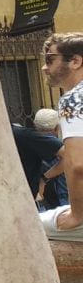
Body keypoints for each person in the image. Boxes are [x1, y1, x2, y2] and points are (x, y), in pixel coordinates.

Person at [41, 32, 83, 236]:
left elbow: (78, 164)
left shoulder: (74, 99)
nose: (44, 67)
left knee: (23, 232)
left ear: (75, 61)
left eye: (50, 59)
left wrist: (76, 215)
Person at [13, 109, 64, 204]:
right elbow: (70, 158)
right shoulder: (53, 144)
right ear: (57, 128)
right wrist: (44, 179)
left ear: (35, 125)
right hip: (48, 195)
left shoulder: (20, 135)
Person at [32, 109, 69, 209]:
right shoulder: (60, 146)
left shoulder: (30, 144)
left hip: (42, 200)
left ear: (35, 126)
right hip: (64, 198)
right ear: (57, 128)